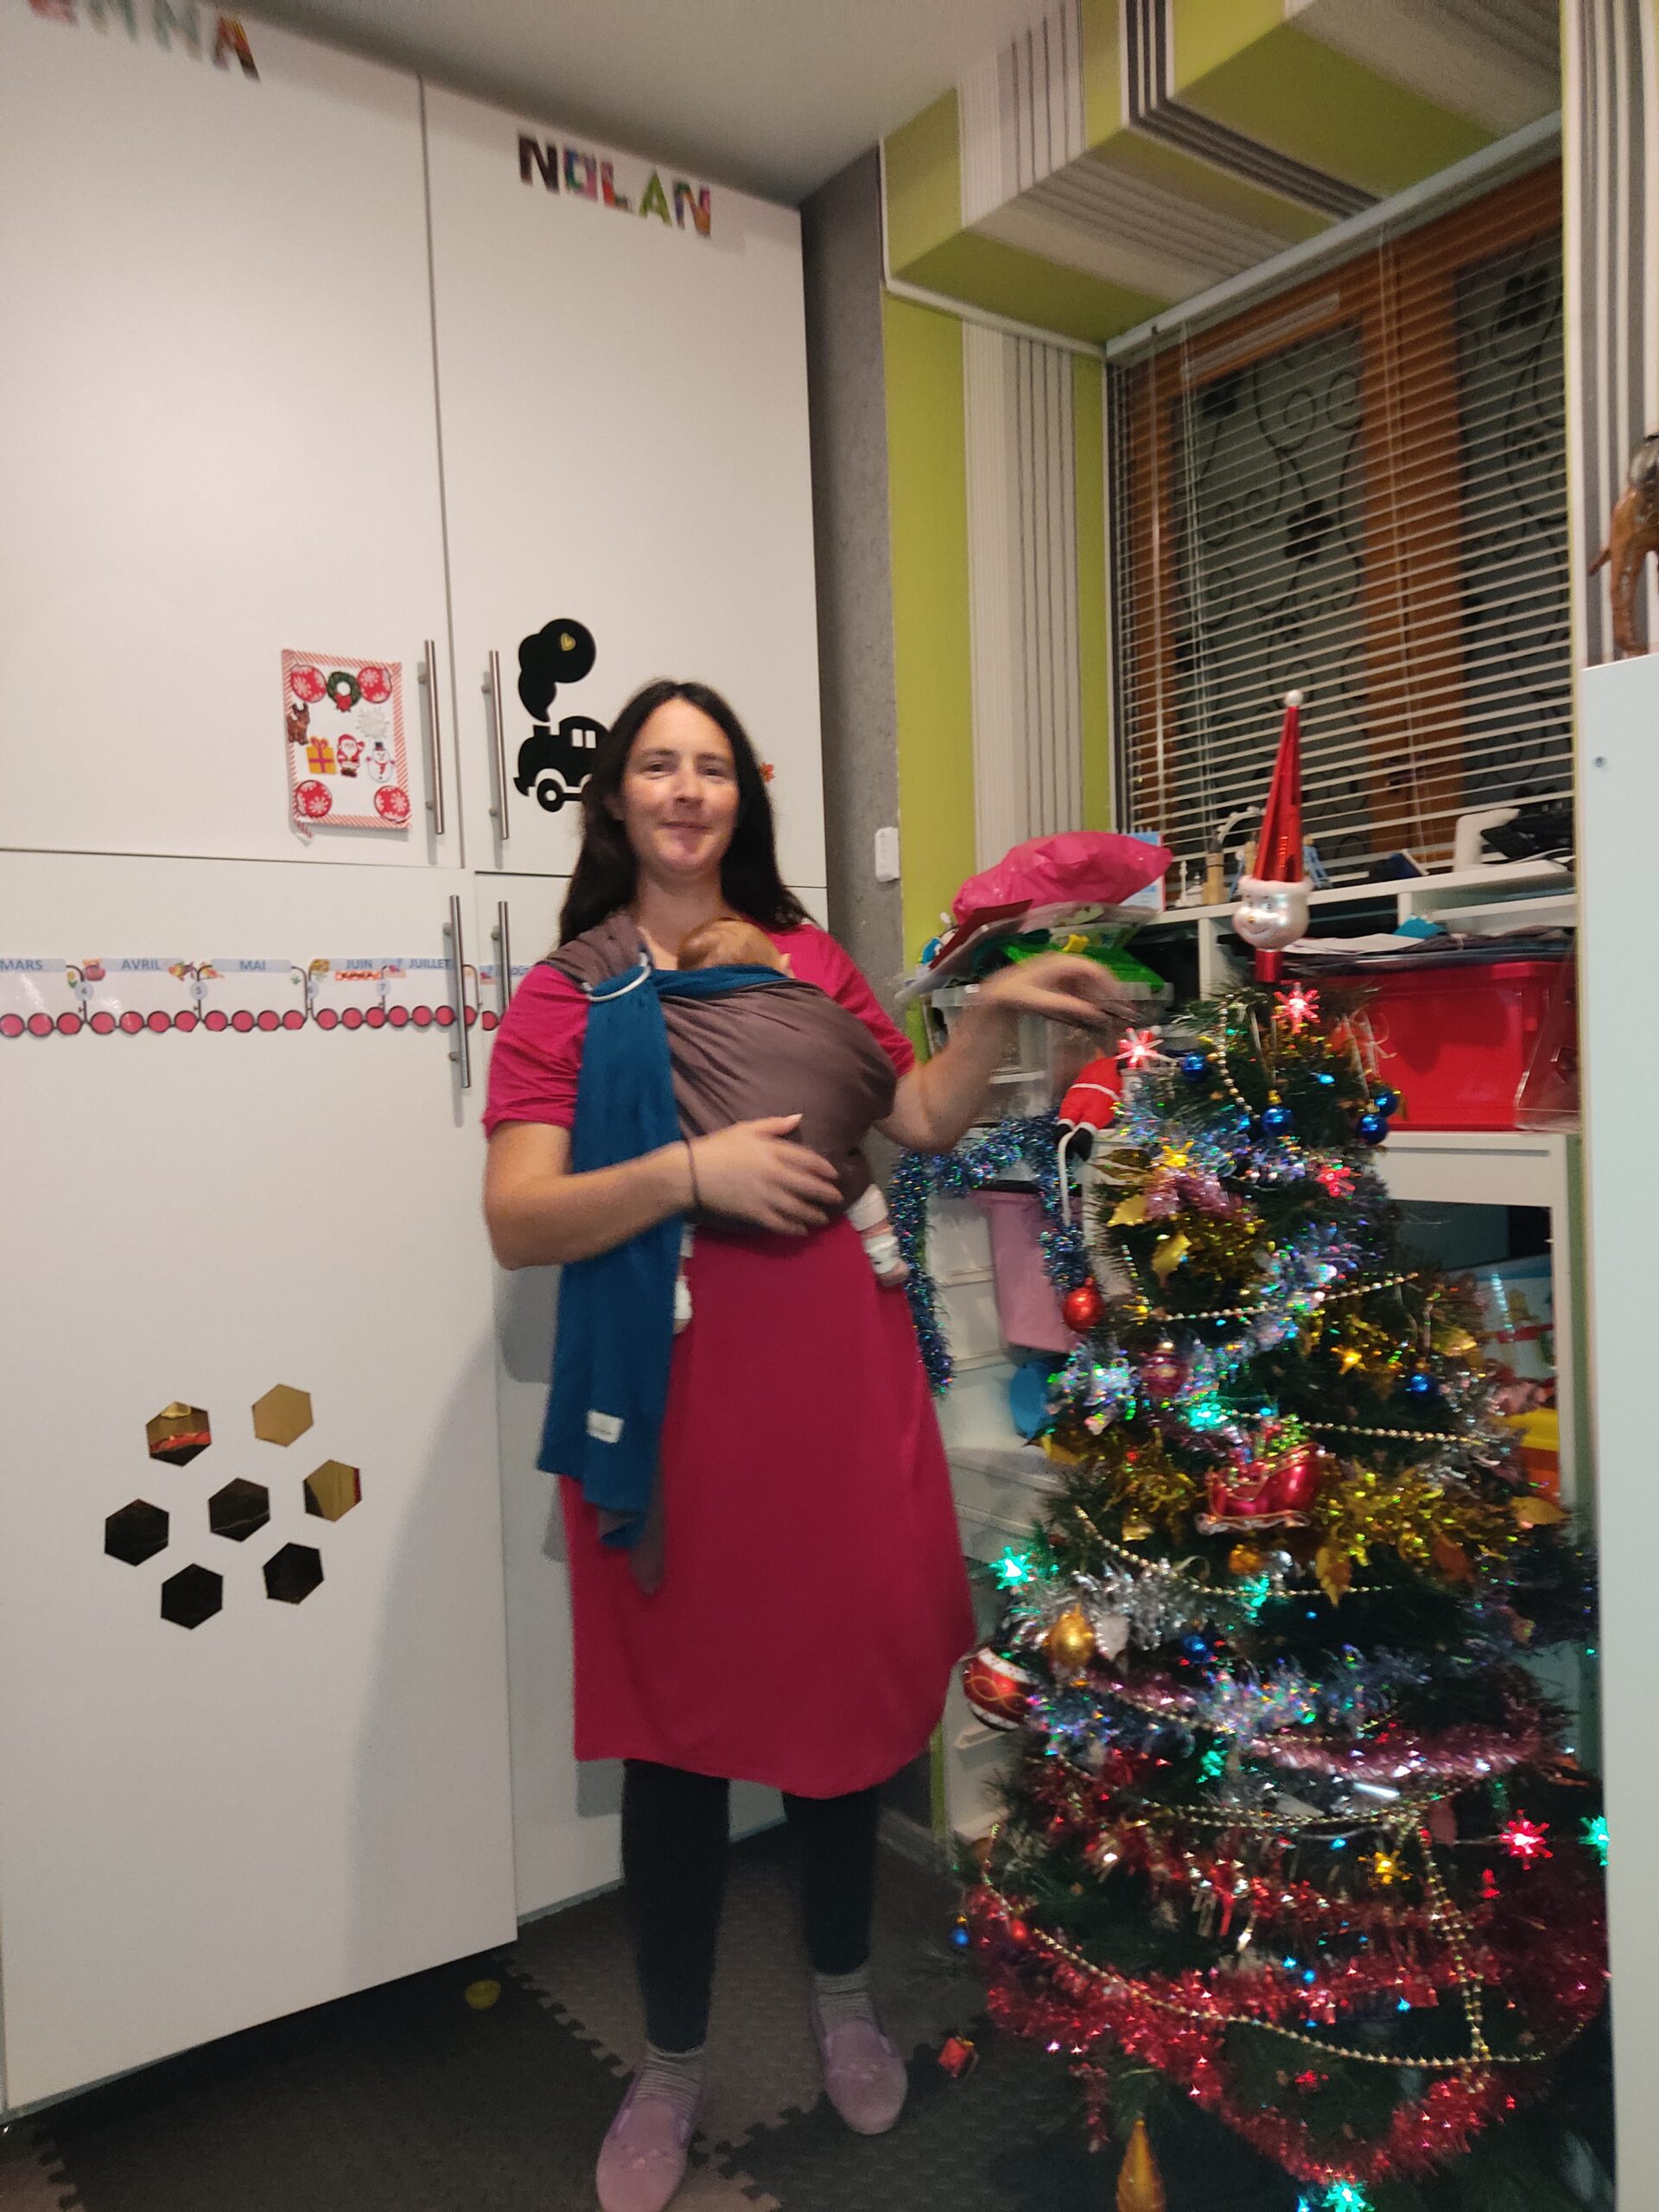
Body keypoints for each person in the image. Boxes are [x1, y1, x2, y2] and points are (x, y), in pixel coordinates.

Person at [482, 678, 1128, 2212]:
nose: (686, 790)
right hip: (676, 1402)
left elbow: (918, 1119)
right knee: (676, 1741)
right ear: (617, 797)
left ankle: (845, 2003)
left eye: (711, 767)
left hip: (836, 1386)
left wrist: (989, 1012)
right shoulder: (570, 993)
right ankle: (670, 2063)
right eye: (658, 765)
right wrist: (689, 1173)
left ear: (742, 797)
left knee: (842, 1717)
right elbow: (519, 1217)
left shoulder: (814, 960)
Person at [672, 913, 909, 1310]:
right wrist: (868, 1104)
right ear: (783, 966)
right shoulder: (821, 1011)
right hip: (823, 1177)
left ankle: (675, 1291)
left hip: (712, 1194)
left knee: (675, 1216)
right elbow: (870, 1063)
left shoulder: (676, 1017)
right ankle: (883, 1250)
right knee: (860, 1181)